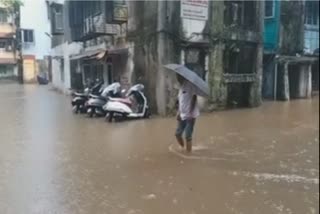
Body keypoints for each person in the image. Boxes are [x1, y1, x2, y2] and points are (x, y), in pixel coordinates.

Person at [175, 74, 199, 152]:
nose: (177, 78)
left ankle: (189, 153)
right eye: (177, 76)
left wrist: (191, 113)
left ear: (183, 76)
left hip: (190, 115)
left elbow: (194, 98)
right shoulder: (181, 87)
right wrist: (178, 112)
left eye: (178, 76)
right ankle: (183, 148)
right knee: (178, 134)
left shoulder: (190, 85)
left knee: (188, 135)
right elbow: (180, 101)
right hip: (182, 115)